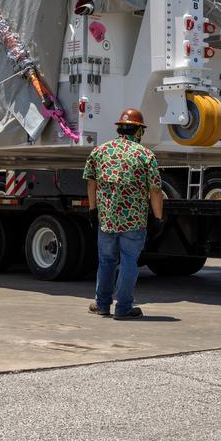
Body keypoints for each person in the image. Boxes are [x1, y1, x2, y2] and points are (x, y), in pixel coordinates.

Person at [83, 108, 165, 320]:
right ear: (138, 131)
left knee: (106, 261)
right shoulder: (146, 155)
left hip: (107, 218)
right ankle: (123, 308)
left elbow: (91, 183)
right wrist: (158, 218)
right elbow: (155, 190)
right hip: (134, 221)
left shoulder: (100, 151)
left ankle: (102, 305)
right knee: (129, 261)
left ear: (120, 128)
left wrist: (93, 210)